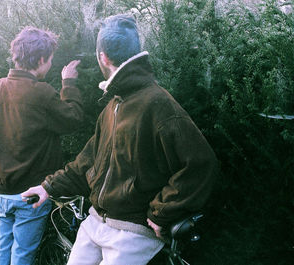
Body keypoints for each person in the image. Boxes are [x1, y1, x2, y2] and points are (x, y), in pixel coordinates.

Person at [22, 14, 218, 265]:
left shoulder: (158, 104)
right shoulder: (112, 107)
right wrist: (47, 188)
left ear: (102, 57)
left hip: (133, 233)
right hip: (95, 222)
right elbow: (87, 161)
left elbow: (201, 163)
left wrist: (162, 213)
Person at [0, 26, 83, 265]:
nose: (50, 64)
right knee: (22, 254)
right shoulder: (40, 92)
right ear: (41, 59)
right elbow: (72, 119)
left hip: (1, 190)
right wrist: (69, 83)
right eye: (50, 60)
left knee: (4, 247)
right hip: (31, 193)